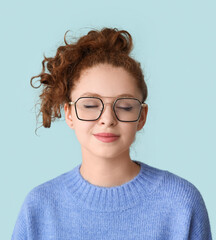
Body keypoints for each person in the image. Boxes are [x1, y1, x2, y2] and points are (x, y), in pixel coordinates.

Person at [11, 27, 212, 239]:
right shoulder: (39, 207)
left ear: (141, 116)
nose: (107, 119)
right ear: (69, 114)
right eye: (90, 105)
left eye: (124, 106)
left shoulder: (181, 203)